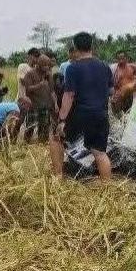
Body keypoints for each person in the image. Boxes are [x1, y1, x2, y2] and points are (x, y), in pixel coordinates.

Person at [55, 32, 114, 180]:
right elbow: (111, 91)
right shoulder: (104, 66)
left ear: (75, 47)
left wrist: (61, 120)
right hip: (101, 115)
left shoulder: (72, 68)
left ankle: (57, 177)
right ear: (91, 46)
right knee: (100, 152)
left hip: (81, 116)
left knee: (55, 137)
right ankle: (108, 188)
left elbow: (69, 95)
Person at [21, 54, 57, 142]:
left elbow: (52, 91)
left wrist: (55, 104)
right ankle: (26, 145)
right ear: (39, 64)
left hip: (45, 106)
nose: (47, 67)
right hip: (34, 106)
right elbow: (28, 89)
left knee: (44, 128)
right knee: (30, 128)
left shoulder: (48, 75)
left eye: (48, 65)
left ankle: (42, 145)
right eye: (45, 65)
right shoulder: (30, 74)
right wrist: (40, 85)